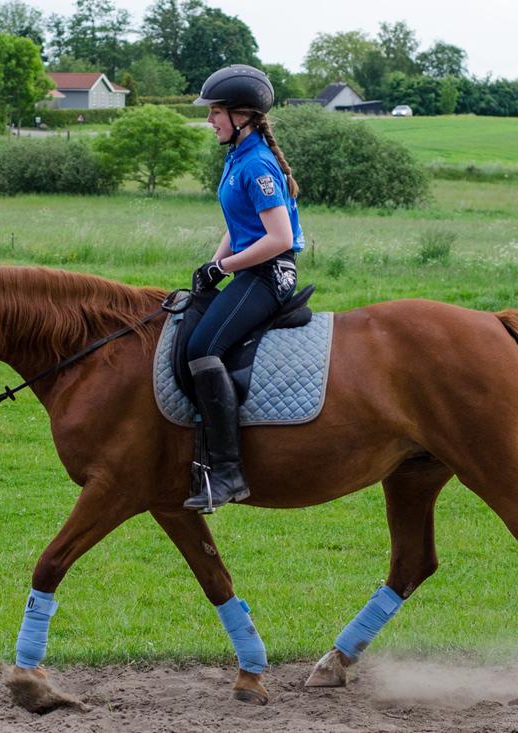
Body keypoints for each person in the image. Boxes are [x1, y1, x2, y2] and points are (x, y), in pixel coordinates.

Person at [182, 64, 306, 513]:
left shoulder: (257, 164)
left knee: (203, 347)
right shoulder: (237, 157)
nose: (209, 121)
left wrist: (225, 268)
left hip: (271, 275)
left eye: (215, 113)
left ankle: (229, 473)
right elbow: (240, 226)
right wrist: (214, 265)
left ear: (242, 116)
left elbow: (279, 239)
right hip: (248, 269)